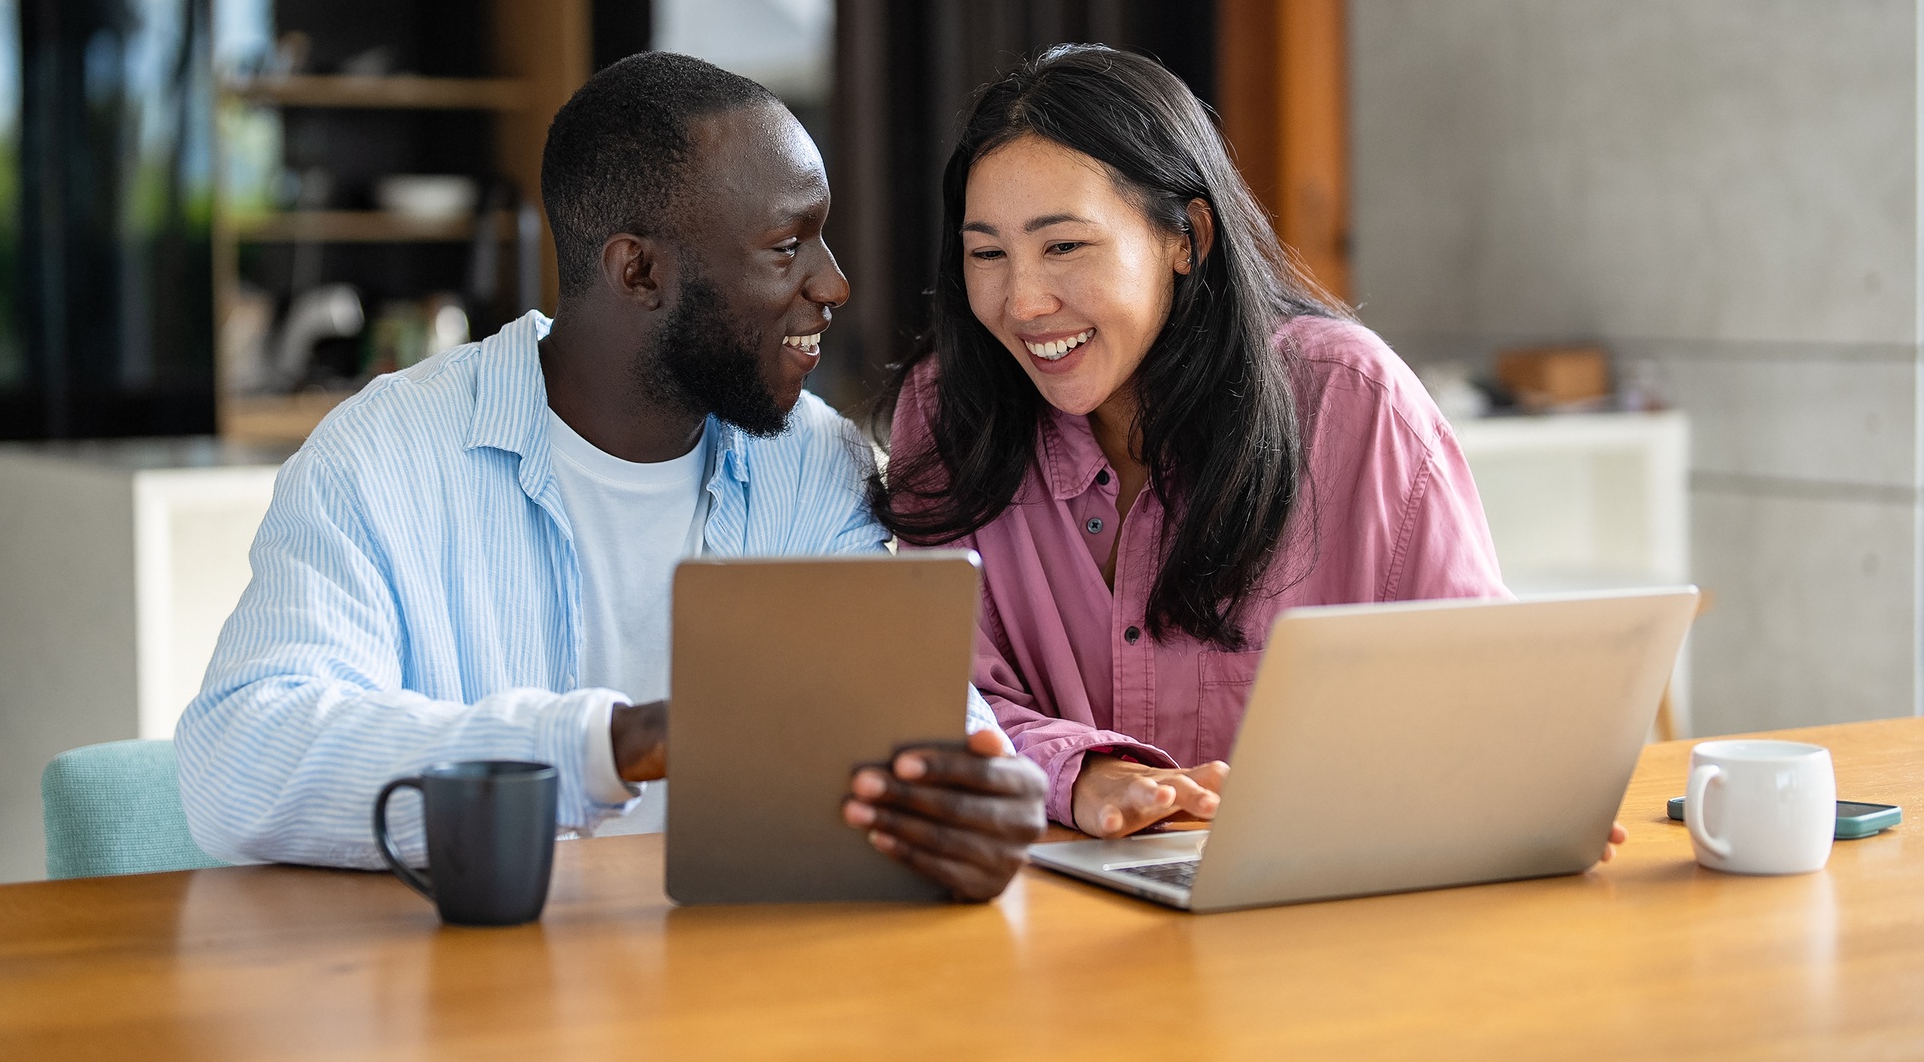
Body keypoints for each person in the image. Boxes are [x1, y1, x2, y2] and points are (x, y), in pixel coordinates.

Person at [177, 52, 1045, 902]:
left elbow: (909, 717)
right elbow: (241, 760)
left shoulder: (815, 462)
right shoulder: (383, 457)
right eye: (787, 247)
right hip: (475, 979)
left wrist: (976, 791)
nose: (835, 283)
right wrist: (613, 743)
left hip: (747, 972)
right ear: (640, 270)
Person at [877, 45, 1625, 862]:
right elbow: (941, 693)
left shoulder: (1353, 403)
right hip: (1046, 909)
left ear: (1186, 237)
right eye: (987, 254)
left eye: (1064, 247)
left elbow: (1473, 687)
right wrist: (1078, 774)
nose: (1023, 301)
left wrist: (1530, 780)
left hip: (1319, 896)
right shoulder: (949, 409)